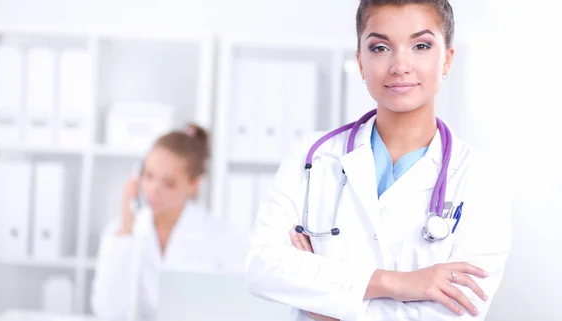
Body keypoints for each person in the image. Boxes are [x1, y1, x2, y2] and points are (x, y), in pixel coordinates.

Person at [245, 1, 512, 321]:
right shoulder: (313, 156)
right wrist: (398, 284)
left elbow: (458, 312)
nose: (400, 65)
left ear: (447, 60)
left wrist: (324, 304)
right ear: (360, 62)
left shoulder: (480, 178)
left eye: (421, 45)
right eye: (380, 47)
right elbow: (262, 266)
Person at [91, 124, 248, 321]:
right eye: (148, 176)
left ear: (193, 184)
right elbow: (108, 312)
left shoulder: (223, 236)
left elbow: (239, 310)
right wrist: (126, 228)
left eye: (168, 183)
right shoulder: (124, 231)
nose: (154, 189)